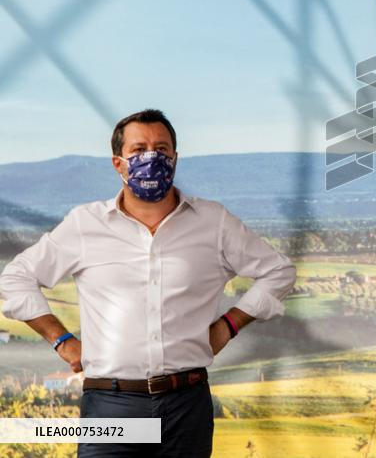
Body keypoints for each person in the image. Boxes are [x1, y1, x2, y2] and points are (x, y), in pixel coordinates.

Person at [0, 109, 296, 457]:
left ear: (175, 158)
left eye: (161, 148)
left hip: (187, 404)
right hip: (112, 404)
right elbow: (16, 278)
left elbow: (278, 271)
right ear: (118, 163)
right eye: (138, 149)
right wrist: (61, 340)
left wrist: (229, 325)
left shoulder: (213, 222)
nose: (151, 158)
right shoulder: (85, 224)